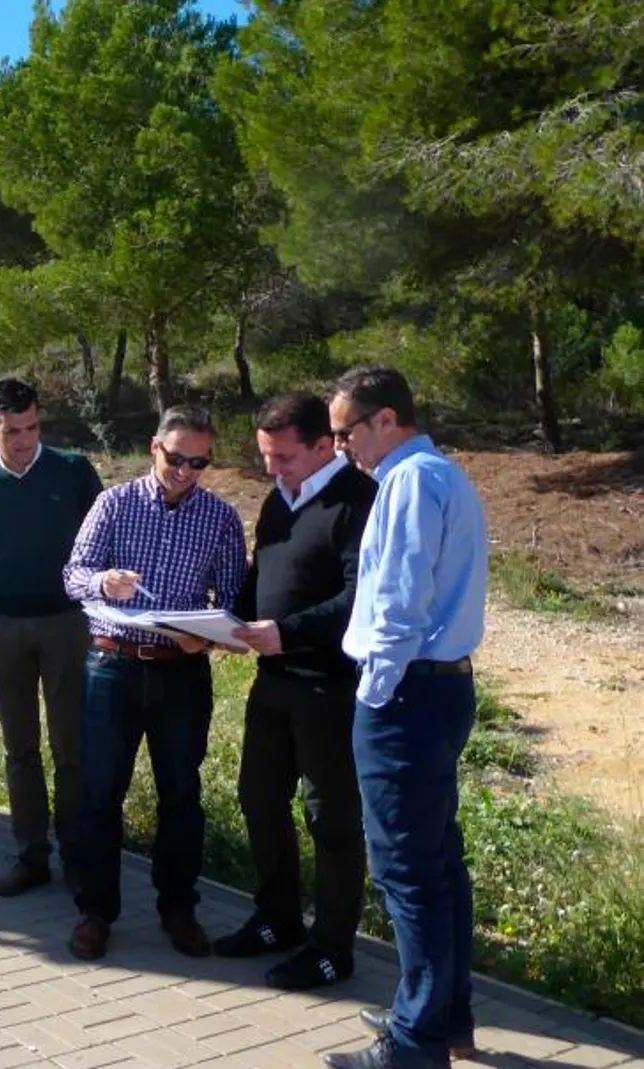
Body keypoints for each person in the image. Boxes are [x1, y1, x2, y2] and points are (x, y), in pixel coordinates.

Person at [323, 366, 488, 1069]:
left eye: (345, 432)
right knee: (437, 859)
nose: (340, 448)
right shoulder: (441, 474)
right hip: (438, 688)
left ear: (385, 420)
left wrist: (374, 692)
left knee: (408, 868)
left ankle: (415, 1041)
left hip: (407, 693)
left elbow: (399, 599)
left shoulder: (411, 480)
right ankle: (443, 1013)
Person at [60, 404, 246, 961]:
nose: (187, 470)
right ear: (153, 448)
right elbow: (73, 575)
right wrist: (103, 580)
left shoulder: (219, 518)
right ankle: (95, 912)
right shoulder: (112, 504)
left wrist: (208, 637)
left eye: (200, 462)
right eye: (177, 457)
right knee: (100, 794)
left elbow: (233, 597)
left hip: (180, 672)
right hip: (112, 666)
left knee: (182, 795)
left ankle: (178, 908)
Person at [218, 393, 376, 991]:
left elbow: (358, 598)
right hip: (274, 681)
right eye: (265, 456)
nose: (271, 469)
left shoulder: (359, 503)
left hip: (329, 687)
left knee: (330, 818)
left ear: (323, 445)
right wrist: (227, 624)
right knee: (258, 797)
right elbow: (263, 578)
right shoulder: (276, 503)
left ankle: (333, 946)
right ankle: (277, 918)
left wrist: (285, 632)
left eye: (283, 457)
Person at [0, 378, 104, 895]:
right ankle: (31, 853)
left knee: (72, 745)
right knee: (20, 747)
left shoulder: (72, 471)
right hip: (1, 623)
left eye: (33, 427)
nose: (24, 439)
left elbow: (99, 541)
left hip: (66, 622)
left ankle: (77, 852)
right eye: (12, 429)